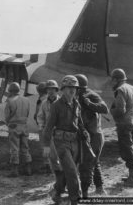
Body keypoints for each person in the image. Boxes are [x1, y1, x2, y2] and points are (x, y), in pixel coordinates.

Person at [43, 75, 90, 205]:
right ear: (63, 89)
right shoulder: (56, 106)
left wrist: (84, 131)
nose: (72, 90)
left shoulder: (77, 104)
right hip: (61, 142)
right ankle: (75, 200)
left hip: (75, 142)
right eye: (69, 87)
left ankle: (56, 192)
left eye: (74, 88)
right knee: (72, 172)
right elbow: (48, 127)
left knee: (67, 171)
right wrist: (46, 145)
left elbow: (79, 123)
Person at [75, 74, 109, 197]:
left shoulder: (91, 95)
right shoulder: (76, 96)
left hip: (95, 136)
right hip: (85, 135)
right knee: (93, 162)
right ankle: (100, 188)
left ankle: (85, 194)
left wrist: (89, 104)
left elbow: (105, 109)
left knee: (87, 164)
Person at [110, 68, 133, 188]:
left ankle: (132, 179)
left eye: (113, 79)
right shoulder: (132, 88)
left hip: (124, 124)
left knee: (127, 150)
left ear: (117, 79)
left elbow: (119, 110)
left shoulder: (120, 90)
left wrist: (112, 110)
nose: (112, 82)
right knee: (132, 147)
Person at [37, 80, 63, 184]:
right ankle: (57, 179)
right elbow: (40, 116)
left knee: (61, 156)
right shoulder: (44, 103)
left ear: (57, 90)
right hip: (49, 133)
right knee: (52, 157)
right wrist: (41, 127)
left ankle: (62, 179)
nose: (50, 91)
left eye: (53, 89)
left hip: (60, 133)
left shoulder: (62, 102)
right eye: (48, 89)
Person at [4, 82, 32, 177]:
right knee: (25, 147)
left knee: (14, 148)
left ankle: (15, 171)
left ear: (10, 91)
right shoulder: (26, 100)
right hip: (24, 125)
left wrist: (9, 123)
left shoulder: (10, 101)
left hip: (14, 126)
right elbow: (27, 114)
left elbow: (6, 117)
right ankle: (28, 169)